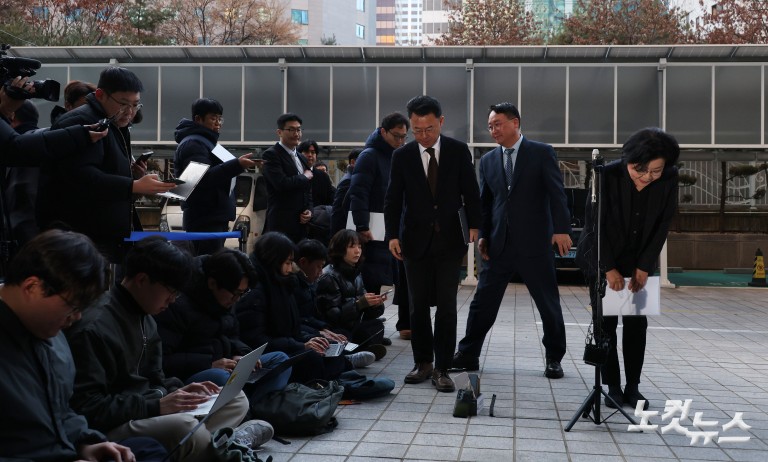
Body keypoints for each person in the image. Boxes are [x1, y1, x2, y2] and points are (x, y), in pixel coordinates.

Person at [66, 236, 272, 461]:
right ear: (143, 280)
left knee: (235, 400)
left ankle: (213, 444)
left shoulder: (147, 317)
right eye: (171, 291)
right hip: (116, 424)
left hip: (148, 408)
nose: (173, 300)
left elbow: (156, 378)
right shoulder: (95, 326)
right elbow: (88, 407)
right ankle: (223, 445)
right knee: (183, 426)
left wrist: (180, 390)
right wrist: (156, 406)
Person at [0, 229, 168, 462]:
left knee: (149, 450)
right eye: (73, 306)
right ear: (32, 288)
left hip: (67, 450)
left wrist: (86, 443)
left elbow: (61, 411)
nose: (77, 318)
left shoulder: (51, 334)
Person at [452, 102, 573, 380]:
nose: (493, 130)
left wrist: (561, 228)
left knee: (548, 303)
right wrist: (483, 235)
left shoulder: (541, 153)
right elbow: (486, 202)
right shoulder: (489, 161)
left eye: (498, 124)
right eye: (491, 125)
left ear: (515, 123)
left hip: (534, 244)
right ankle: (468, 353)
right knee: (482, 302)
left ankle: (554, 358)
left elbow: (557, 193)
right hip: (498, 245)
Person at [576, 127, 680, 410]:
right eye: (640, 169)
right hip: (602, 257)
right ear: (627, 160)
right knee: (605, 324)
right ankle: (612, 387)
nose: (647, 177)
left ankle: (633, 387)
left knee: (637, 325)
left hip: (639, 261)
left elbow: (662, 226)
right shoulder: (605, 175)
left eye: (655, 171)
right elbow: (593, 224)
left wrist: (644, 267)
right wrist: (608, 268)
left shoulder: (669, 179)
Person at [383, 96, 481, 393]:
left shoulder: (457, 151)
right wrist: (392, 235)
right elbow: (393, 199)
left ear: (441, 121)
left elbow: (471, 191)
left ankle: (442, 367)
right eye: (417, 130)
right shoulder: (402, 156)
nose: (423, 135)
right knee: (417, 307)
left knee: (448, 307)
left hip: (450, 241)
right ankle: (422, 363)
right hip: (414, 241)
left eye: (428, 128)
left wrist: (475, 225)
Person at [37, 67, 176, 263]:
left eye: (136, 105)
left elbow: (106, 168)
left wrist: (133, 176)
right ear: (101, 95)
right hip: (79, 240)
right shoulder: (82, 122)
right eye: (123, 104)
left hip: (103, 236)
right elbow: (81, 178)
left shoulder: (116, 123)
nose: (129, 112)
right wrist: (133, 185)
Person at [237, 232, 375, 384]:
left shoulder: (282, 284)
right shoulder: (256, 293)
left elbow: (294, 327)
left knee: (329, 345)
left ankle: (339, 375)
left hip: (289, 343)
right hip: (272, 352)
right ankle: (336, 380)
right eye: (288, 263)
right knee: (312, 357)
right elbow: (258, 340)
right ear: (274, 261)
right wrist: (303, 343)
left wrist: (313, 337)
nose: (291, 269)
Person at [155, 248, 291, 401]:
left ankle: (256, 405)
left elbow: (232, 335)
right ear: (213, 283)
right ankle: (252, 405)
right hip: (195, 374)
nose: (237, 299)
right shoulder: (176, 304)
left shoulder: (227, 298)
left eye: (242, 293)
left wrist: (242, 354)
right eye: (236, 293)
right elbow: (163, 360)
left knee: (280, 360)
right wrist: (209, 364)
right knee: (222, 378)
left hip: (227, 365)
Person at [348, 113, 412, 340]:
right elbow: (359, 191)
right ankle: (367, 330)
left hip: (397, 227)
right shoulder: (370, 156)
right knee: (372, 279)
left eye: (405, 137)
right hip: (374, 229)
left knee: (402, 276)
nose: (401, 141)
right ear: (383, 132)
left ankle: (402, 325)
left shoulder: (400, 155)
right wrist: (362, 224)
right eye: (397, 136)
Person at [173, 98, 258, 255]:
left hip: (213, 215)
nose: (218, 123)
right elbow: (201, 179)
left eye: (220, 118)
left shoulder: (207, 142)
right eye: (213, 118)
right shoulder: (193, 143)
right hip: (204, 217)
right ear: (198, 119)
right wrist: (237, 165)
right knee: (206, 266)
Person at [315, 229, 388, 353]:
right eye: (351, 247)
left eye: (359, 246)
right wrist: (359, 304)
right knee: (342, 336)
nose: (357, 251)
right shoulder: (329, 276)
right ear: (340, 249)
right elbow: (332, 316)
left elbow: (365, 313)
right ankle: (357, 352)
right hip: (335, 328)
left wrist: (375, 304)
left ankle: (361, 348)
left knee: (377, 326)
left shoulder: (356, 273)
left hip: (352, 325)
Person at [262, 113, 313, 243]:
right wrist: (304, 176)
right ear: (279, 132)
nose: (296, 133)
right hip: (281, 224)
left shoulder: (302, 158)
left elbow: (308, 191)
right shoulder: (271, 154)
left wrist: (309, 211)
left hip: (301, 225)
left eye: (298, 129)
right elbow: (281, 183)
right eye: (291, 129)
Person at [4, 100, 41, 246]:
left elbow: (22, 196)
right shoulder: (44, 143)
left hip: (22, 238)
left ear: (12, 115)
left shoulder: (17, 151)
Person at [330, 148, 362, 236]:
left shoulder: (351, 178)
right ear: (353, 162)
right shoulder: (349, 180)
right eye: (363, 160)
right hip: (345, 232)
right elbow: (342, 209)